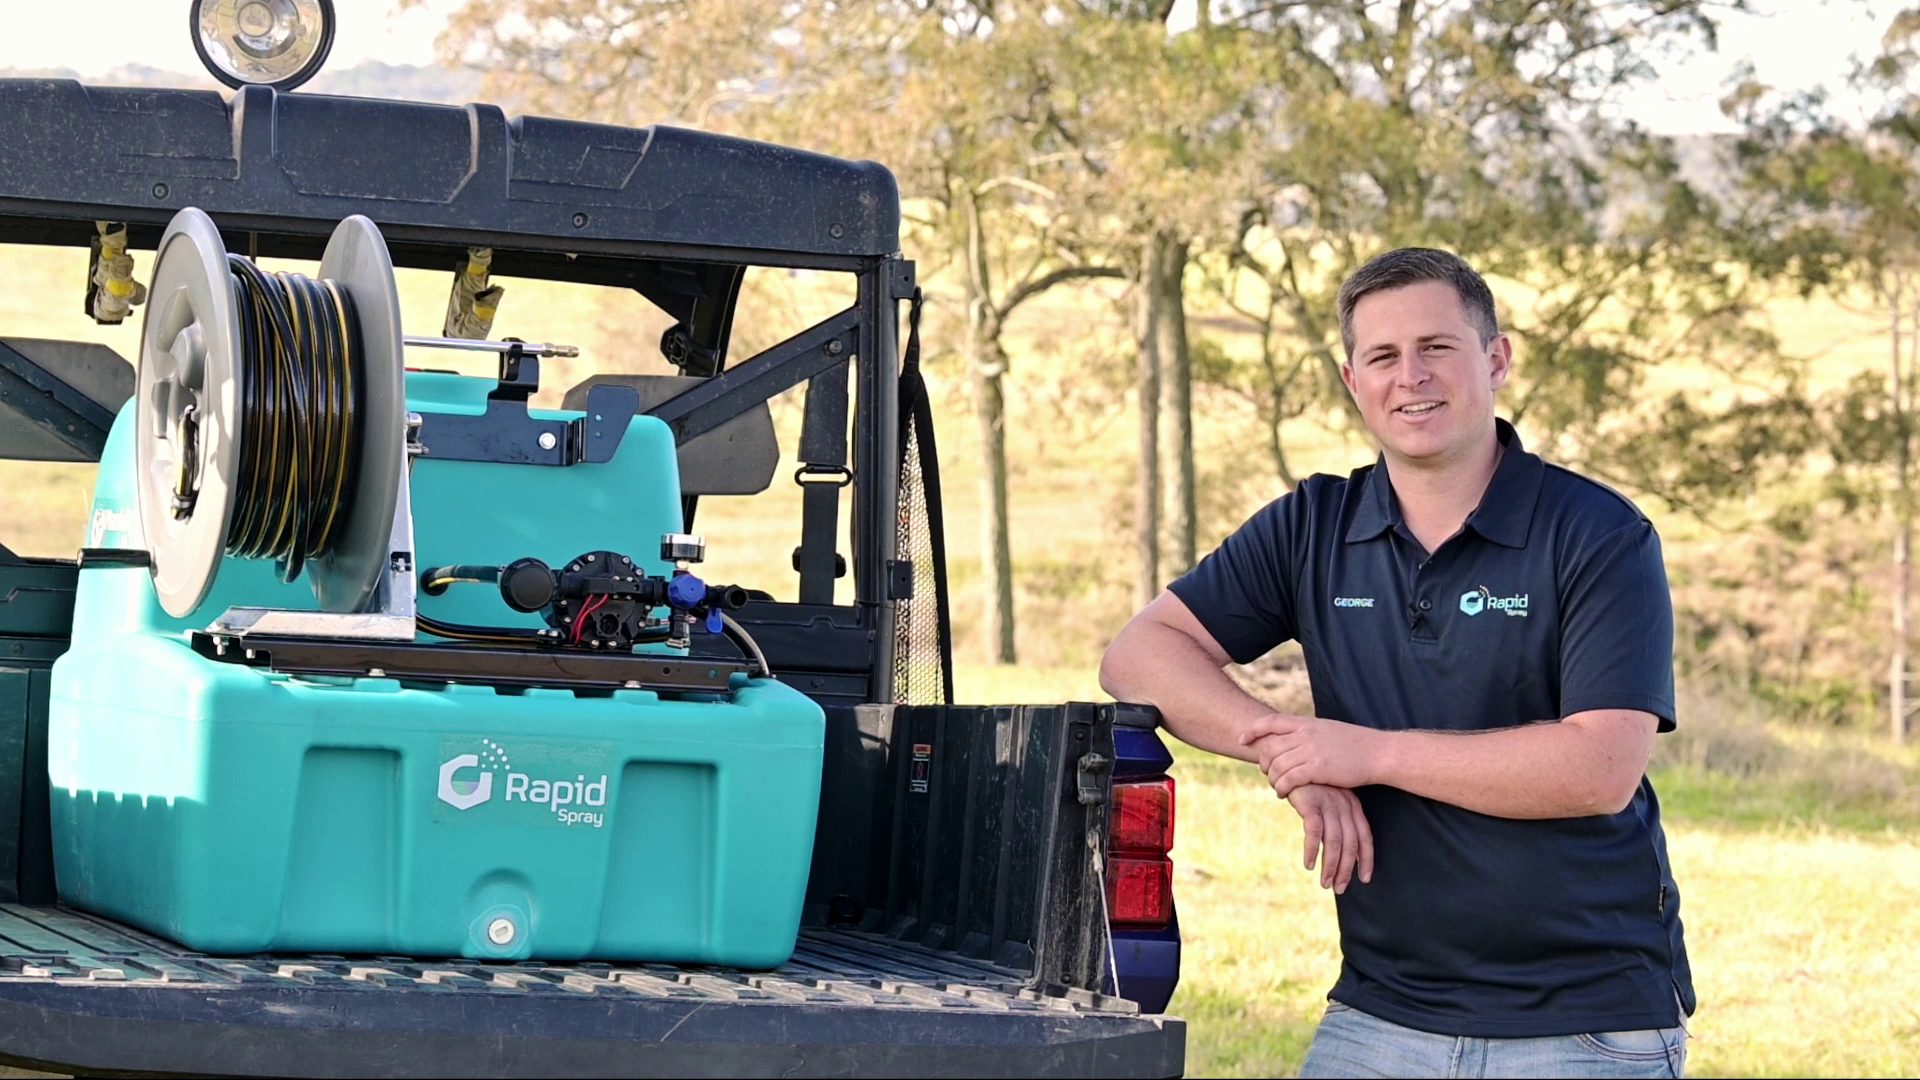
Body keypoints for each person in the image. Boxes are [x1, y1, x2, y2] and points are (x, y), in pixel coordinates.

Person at [1099, 248, 1693, 1078]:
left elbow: (1599, 769)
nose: (1410, 376)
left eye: (1437, 347)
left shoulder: (1596, 533)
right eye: (1383, 356)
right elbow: (1140, 652)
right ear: (1354, 382)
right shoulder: (1314, 524)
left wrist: (1368, 754)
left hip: (1584, 1026)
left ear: (1496, 359)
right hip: (1381, 1014)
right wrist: (1292, 755)